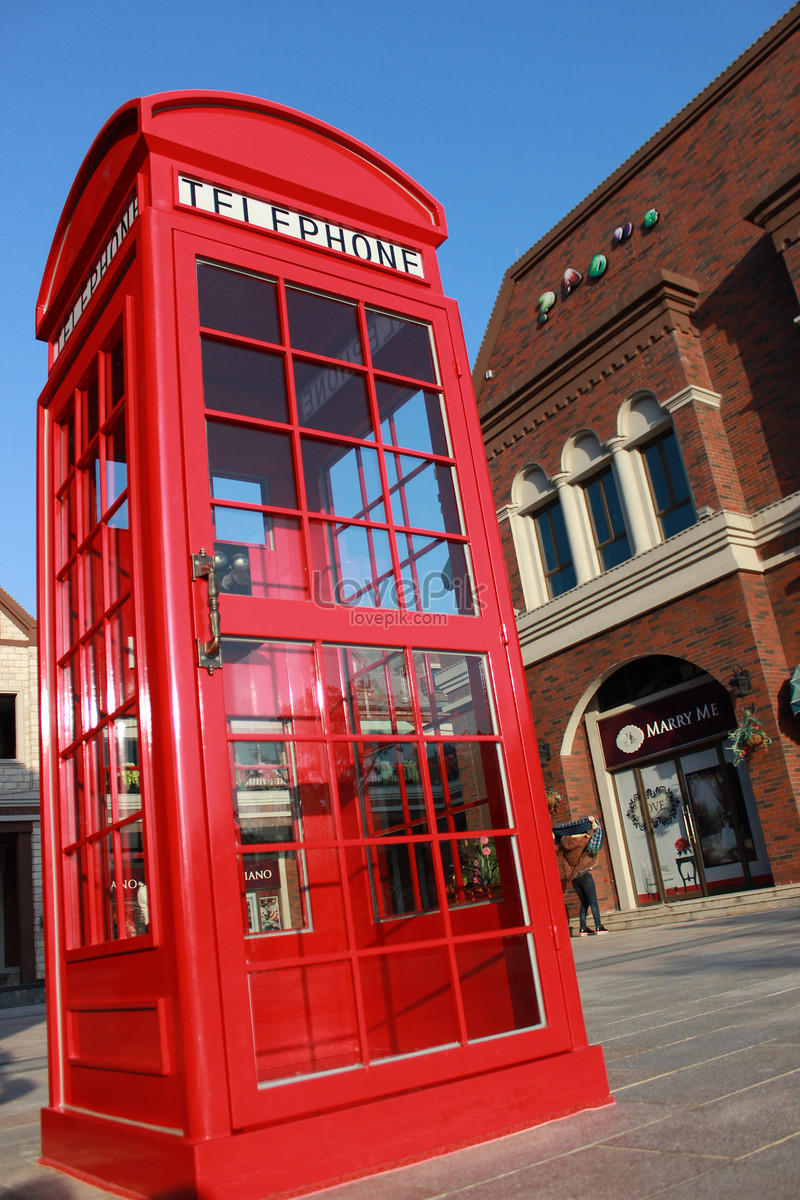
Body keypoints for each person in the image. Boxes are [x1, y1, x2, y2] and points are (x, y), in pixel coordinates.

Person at [554, 815, 608, 936]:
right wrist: (593, 822)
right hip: (584, 874)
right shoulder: (583, 840)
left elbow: (556, 844)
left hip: (574, 878)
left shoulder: (564, 842)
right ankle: (599, 926)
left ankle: (583, 928)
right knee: (593, 901)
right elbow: (597, 834)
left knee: (584, 903)